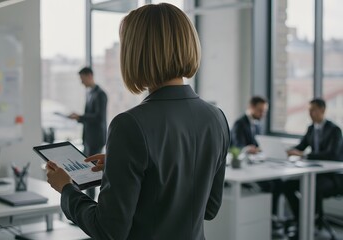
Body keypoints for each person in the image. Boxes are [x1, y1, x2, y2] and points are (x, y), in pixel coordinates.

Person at [46, 3, 230, 240]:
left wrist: (67, 189)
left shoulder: (130, 124)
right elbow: (209, 208)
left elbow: (108, 230)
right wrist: (122, 166)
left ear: (137, 52)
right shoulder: (216, 118)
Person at [284, 98, 343, 239]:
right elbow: (301, 146)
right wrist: (291, 150)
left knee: (312, 188)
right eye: (309, 110)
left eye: (313, 110)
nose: (310, 113)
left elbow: (333, 154)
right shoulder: (311, 128)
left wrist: (304, 155)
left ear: (322, 110)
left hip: (332, 177)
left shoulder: (335, 130)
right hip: (315, 175)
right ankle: (302, 220)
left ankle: (311, 222)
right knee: (287, 185)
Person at [231, 96, 283, 227]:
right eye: (260, 110)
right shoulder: (240, 123)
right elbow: (237, 146)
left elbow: (258, 144)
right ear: (251, 107)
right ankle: (267, 217)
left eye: (265, 111)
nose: (263, 114)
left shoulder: (257, 124)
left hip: (256, 164)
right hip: (243, 167)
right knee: (269, 185)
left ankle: (272, 216)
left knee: (278, 182)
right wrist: (249, 149)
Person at [68, 67, 107, 200]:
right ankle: (88, 202)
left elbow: (99, 117)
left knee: (92, 173)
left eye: (82, 79)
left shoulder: (100, 94)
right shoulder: (90, 93)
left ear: (89, 76)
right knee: (88, 172)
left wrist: (80, 117)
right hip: (88, 138)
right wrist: (79, 118)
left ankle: (92, 205)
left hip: (96, 139)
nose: (81, 82)